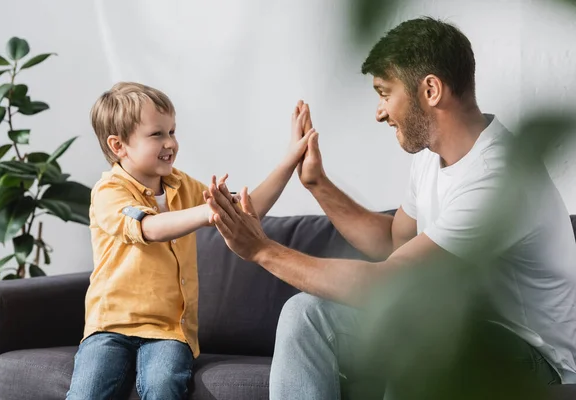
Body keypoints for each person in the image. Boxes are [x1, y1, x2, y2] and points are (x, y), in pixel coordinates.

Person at [204, 17, 576, 399]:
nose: (379, 112)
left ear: (430, 90)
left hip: (535, 358)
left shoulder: (496, 176)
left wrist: (262, 250)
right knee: (307, 316)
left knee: (416, 338)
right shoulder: (432, 159)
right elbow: (394, 242)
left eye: (385, 93)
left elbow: (389, 282)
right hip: (457, 328)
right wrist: (317, 183)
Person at [66, 82, 313, 399]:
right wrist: (209, 212)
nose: (170, 142)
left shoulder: (182, 186)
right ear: (118, 146)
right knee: (88, 391)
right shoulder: (109, 192)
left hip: (169, 331)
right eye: (157, 134)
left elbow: (250, 209)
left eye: (172, 131)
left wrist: (290, 159)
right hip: (110, 325)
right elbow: (150, 228)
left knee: (163, 384)